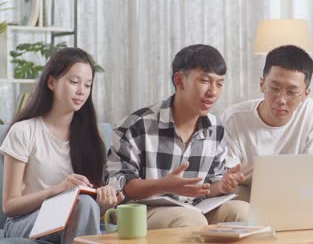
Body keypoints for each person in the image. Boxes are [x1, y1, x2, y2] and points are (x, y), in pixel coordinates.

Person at [105, 44, 249, 229]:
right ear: (180, 81)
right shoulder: (136, 125)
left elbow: (208, 187)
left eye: (219, 83)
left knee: (242, 212)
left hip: (194, 207)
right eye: (205, 81)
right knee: (189, 220)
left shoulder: (215, 128)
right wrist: (164, 185)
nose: (213, 91)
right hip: (143, 211)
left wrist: (221, 186)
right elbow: (121, 185)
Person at [0, 48, 123, 243]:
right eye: (74, 82)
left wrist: (105, 203)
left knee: (85, 203)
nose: (81, 91)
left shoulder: (91, 136)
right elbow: (9, 206)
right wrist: (58, 189)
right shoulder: (23, 131)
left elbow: (89, 208)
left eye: (88, 85)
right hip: (24, 221)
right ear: (51, 82)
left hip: (73, 217)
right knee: (82, 204)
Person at [220, 45, 313, 200]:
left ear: (305, 94)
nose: (281, 100)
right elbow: (227, 177)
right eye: (274, 88)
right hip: (249, 195)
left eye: (292, 92)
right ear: (262, 84)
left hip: (297, 195)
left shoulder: (311, 111)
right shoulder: (234, 118)